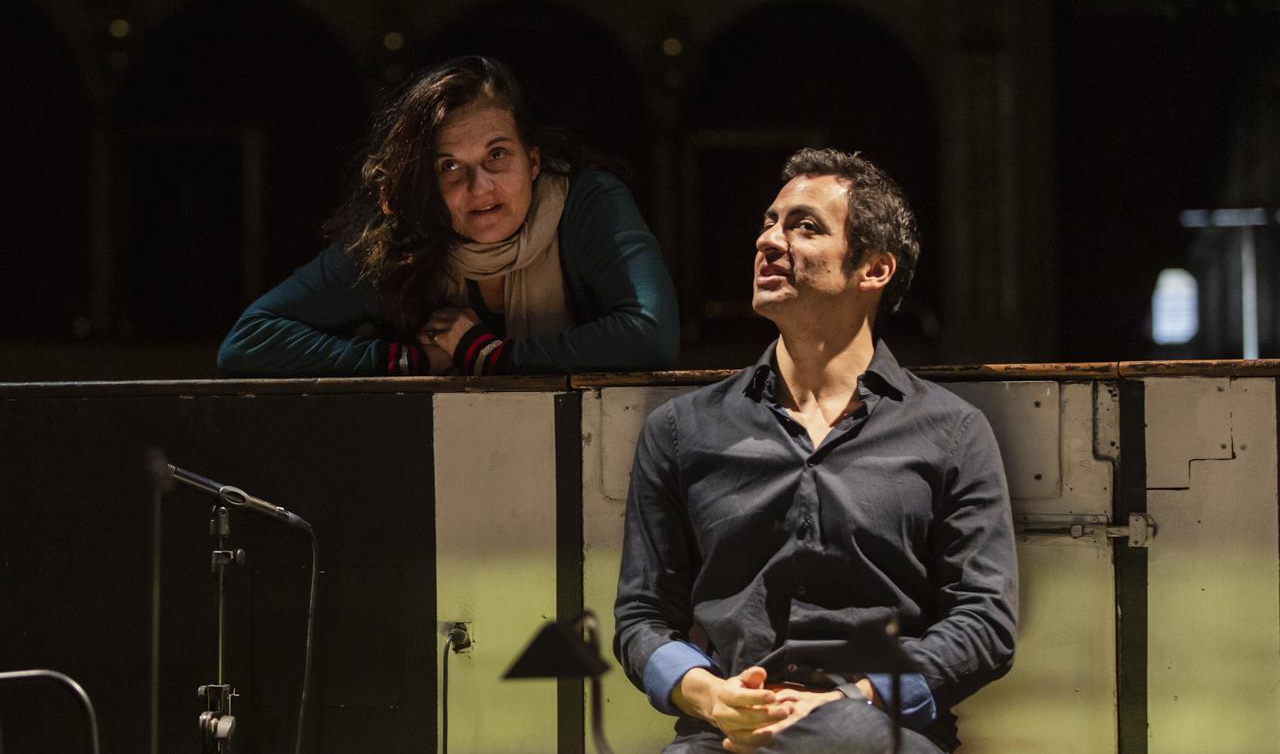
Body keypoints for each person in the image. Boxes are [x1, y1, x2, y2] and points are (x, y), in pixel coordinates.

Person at [614, 149, 1017, 753]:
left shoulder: (951, 430)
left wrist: (850, 698)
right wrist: (710, 695)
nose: (769, 240)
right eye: (769, 222)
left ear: (874, 270)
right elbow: (642, 616)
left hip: (879, 728)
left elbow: (986, 622)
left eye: (805, 226)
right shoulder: (681, 429)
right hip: (727, 735)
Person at [217, 55, 679, 377]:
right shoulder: (403, 238)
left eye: (497, 155)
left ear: (534, 162)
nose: (479, 187)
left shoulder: (589, 203)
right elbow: (249, 342)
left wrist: (490, 356)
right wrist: (403, 361)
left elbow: (652, 334)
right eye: (450, 166)